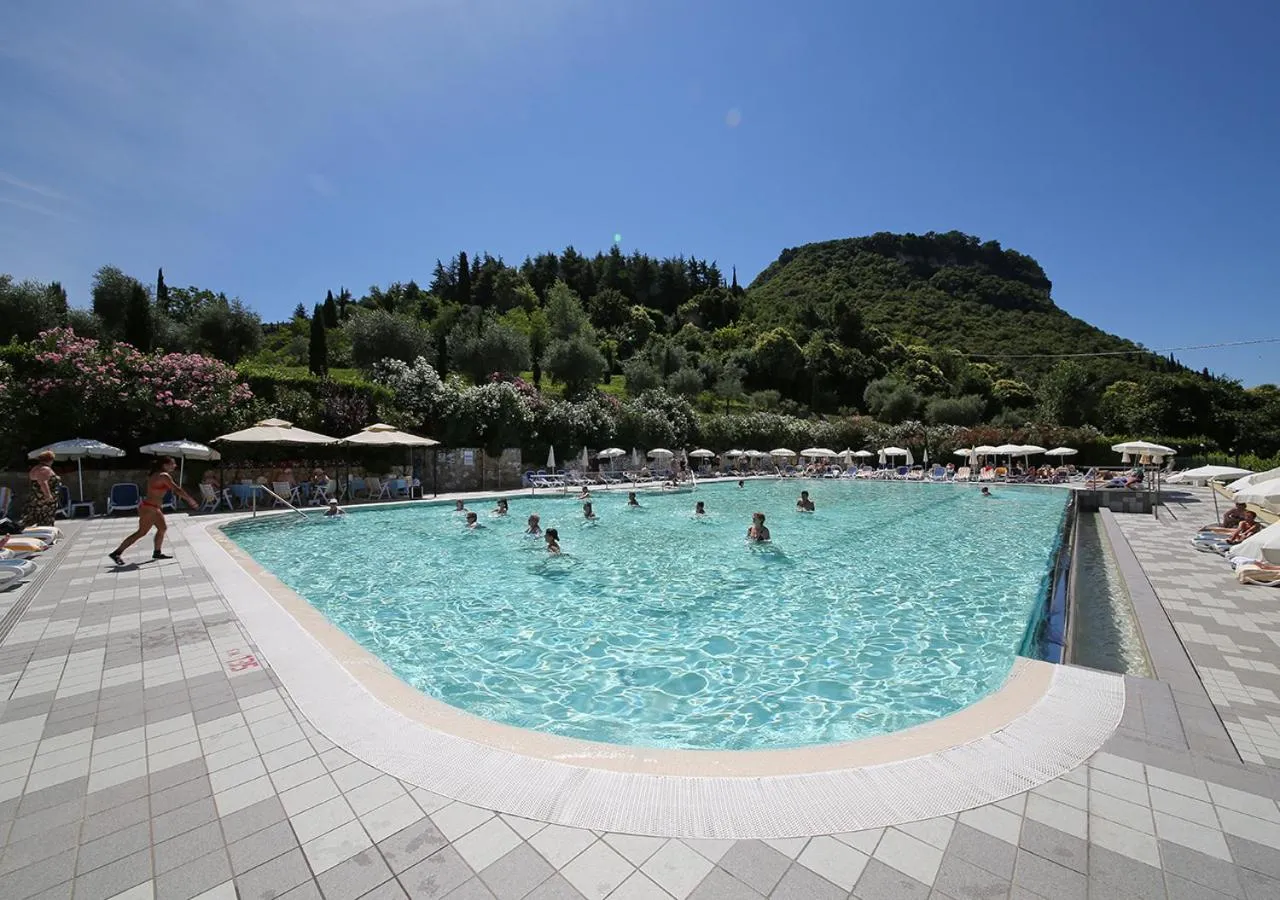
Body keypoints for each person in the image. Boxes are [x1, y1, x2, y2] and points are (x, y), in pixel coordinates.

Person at [108, 457, 198, 565]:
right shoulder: (163, 476)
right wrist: (190, 500)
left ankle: (157, 552)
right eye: (172, 464)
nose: (175, 466)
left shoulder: (157, 474)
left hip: (154, 508)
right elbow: (177, 489)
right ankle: (116, 553)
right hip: (149, 508)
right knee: (141, 532)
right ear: (164, 465)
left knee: (162, 528)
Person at [23, 450, 61, 527]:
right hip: (44, 501)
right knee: (46, 520)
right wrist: (48, 495)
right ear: (50, 460)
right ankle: (45, 537)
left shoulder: (36, 468)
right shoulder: (44, 469)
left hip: (37, 498)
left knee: (33, 519)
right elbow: (43, 482)